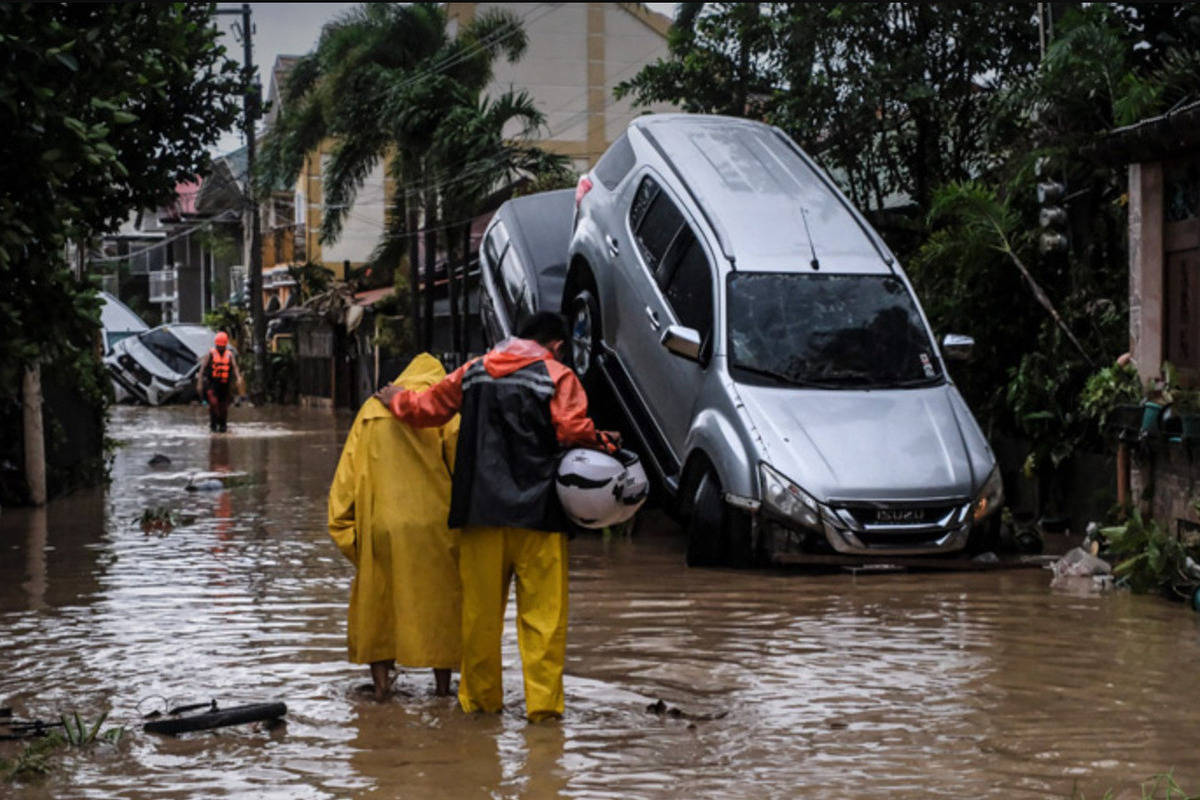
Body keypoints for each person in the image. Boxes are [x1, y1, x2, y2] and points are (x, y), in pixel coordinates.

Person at [374, 312, 619, 722]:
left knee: (479, 620)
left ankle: (480, 708)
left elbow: (426, 409)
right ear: (556, 345)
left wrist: (395, 398)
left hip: (479, 513)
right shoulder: (558, 376)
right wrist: (606, 442)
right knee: (543, 621)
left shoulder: (473, 372)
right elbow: (573, 430)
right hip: (540, 516)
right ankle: (543, 714)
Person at [328, 353, 462, 701]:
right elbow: (463, 470)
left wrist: (351, 539)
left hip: (381, 526)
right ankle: (443, 690)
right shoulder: (445, 411)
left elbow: (343, 486)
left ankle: (383, 690)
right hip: (436, 526)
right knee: (440, 607)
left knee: (379, 608)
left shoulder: (369, 412)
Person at [196, 331, 243, 432]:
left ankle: (223, 426)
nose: (220, 348)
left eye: (222, 346)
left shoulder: (229, 355)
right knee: (214, 404)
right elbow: (202, 369)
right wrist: (199, 383)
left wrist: (238, 378)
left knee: (224, 408)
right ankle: (213, 425)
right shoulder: (211, 354)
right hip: (212, 384)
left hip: (224, 385)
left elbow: (235, 367)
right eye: (219, 346)